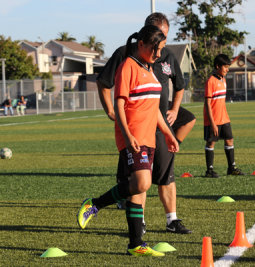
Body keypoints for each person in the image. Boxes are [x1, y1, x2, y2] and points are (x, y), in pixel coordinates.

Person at [77, 25, 179, 257]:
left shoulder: (149, 68)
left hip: (149, 138)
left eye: (161, 49)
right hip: (132, 137)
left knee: (138, 190)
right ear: (141, 44)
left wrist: (167, 133)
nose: (159, 54)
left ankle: (136, 244)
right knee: (142, 183)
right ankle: (95, 204)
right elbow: (119, 105)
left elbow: (154, 110)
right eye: (155, 49)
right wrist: (128, 134)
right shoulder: (127, 67)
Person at [97, 12, 195, 234]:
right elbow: (104, 84)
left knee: (164, 175)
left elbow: (179, 86)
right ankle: (135, 225)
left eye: (164, 39)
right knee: (141, 180)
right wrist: (111, 112)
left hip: (158, 125)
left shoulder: (163, 57)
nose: (159, 50)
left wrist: (174, 112)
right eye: (159, 38)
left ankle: (171, 220)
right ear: (147, 34)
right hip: (135, 129)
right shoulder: (127, 58)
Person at [203, 54, 244, 178]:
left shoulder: (223, 80)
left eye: (228, 67)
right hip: (213, 120)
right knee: (211, 143)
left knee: (229, 140)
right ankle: (209, 170)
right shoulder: (211, 81)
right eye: (225, 67)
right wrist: (212, 123)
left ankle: (231, 167)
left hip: (224, 118)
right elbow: (208, 104)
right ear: (217, 66)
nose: (227, 69)